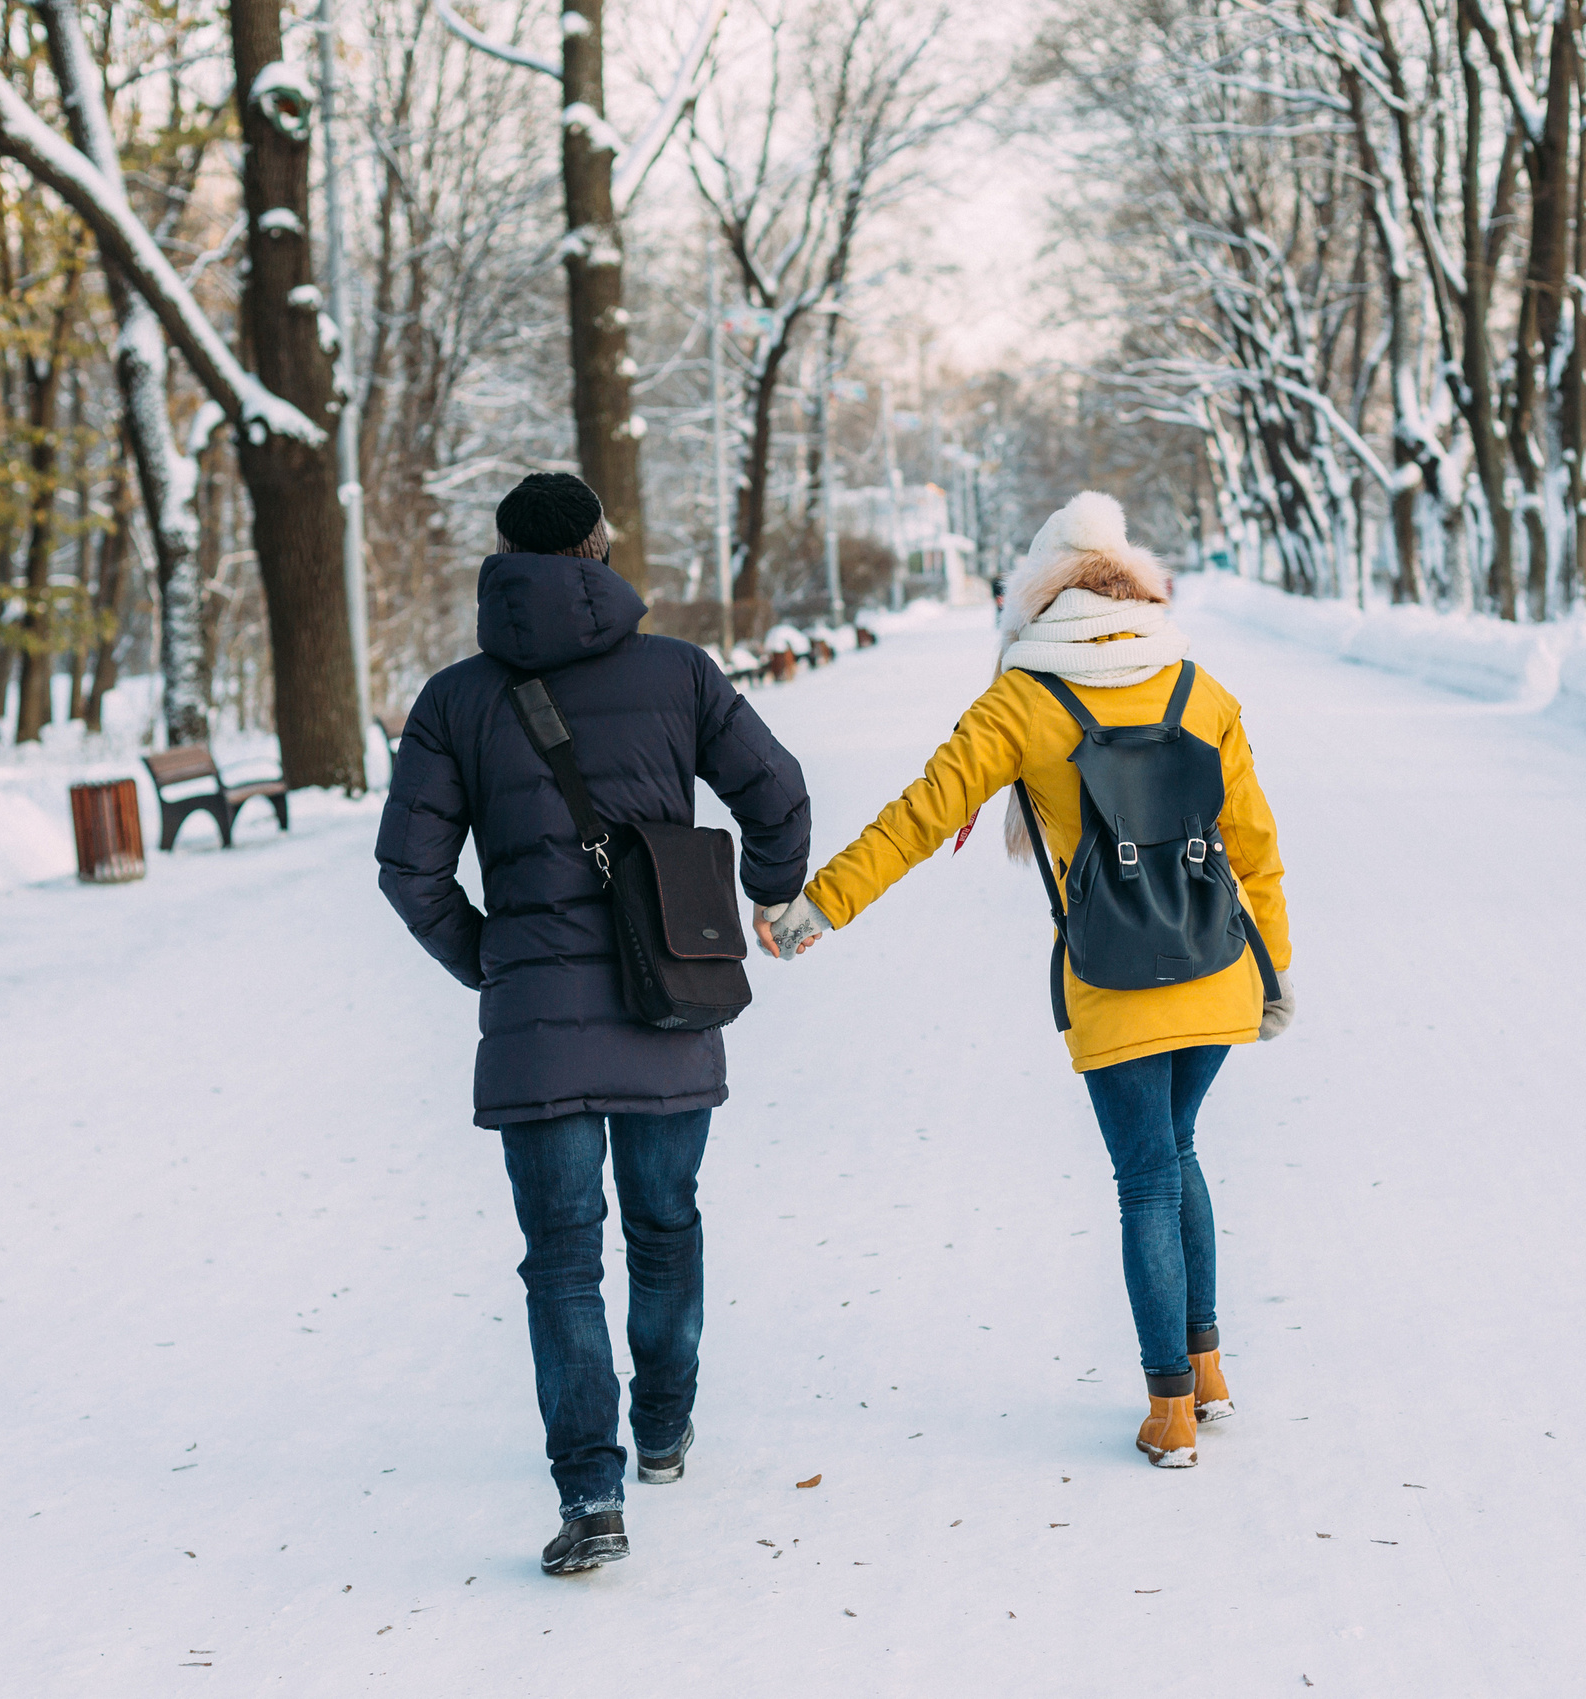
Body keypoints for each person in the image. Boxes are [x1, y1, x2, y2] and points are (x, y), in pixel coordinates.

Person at [761, 490, 1293, 1469]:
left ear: (1036, 599)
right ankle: (1207, 1375)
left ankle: (1168, 1412)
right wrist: (1274, 970)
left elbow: (916, 819)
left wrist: (813, 910)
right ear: (1133, 584)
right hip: (1218, 968)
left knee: (1144, 1180)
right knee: (1177, 1153)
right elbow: (1255, 849)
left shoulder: (1020, 700)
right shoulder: (1198, 689)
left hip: (1111, 974)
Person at [377, 473, 811, 1573]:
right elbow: (777, 793)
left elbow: (408, 870)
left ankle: (591, 1496)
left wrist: (489, 959)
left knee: (562, 1261)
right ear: (598, 548)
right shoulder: (679, 673)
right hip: (670, 992)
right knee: (664, 1224)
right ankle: (662, 1426)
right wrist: (763, 894)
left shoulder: (455, 700)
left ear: (505, 561)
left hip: (534, 1018)